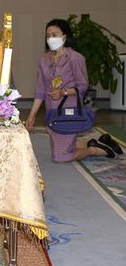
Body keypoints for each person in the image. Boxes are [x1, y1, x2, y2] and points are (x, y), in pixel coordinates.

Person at [25, 19, 119, 162]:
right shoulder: (44, 61)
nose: (51, 38)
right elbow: (40, 90)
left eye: (55, 34)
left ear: (64, 36)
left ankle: (95, 150)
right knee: (62, 145)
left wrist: (64, 92)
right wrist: (32, 115)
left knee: (60, 156)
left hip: (68, 111)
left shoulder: (76, 58)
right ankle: (98, 141)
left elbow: (83, 85)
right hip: (51, 112)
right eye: (48, 35)